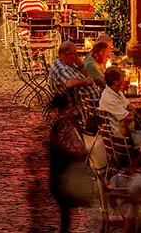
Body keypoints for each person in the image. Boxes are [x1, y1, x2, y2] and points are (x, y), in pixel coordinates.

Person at [47, 92, 92, 233]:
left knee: (65, 214)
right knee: (66, 210)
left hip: (59, 174)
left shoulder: (58, 124)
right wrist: (76, 156)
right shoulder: (57, 126)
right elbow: (57, 150)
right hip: (60, 176)